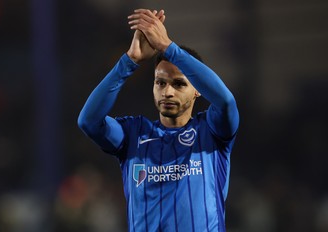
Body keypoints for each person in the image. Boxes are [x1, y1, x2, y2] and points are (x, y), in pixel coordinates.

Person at [78, 8, 239, 232]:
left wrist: (168, 48)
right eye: (160, 83)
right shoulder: (134, 134)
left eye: (179, 84)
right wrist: (129, 61)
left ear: (197, 90)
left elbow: (226, 103)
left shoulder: (211, 132)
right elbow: (88, 121)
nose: (168, 92)